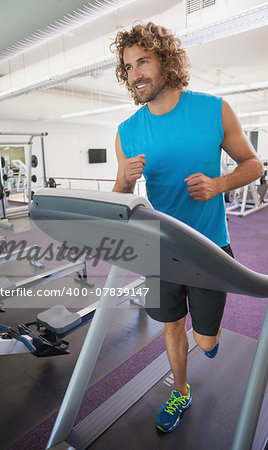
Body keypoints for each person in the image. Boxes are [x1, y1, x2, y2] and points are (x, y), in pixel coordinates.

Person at [110, 22, 264, 433]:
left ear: (167, 61)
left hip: (210, 247)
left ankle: (210, 340)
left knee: (207, 342)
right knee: (172, 324)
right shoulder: (127, 131)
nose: (136, 73)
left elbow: (254, 165)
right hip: (161, 249)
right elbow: (120, 198)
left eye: (143, 61)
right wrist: (124, 180)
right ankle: (180, 389)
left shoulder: (214, 109)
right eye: (128, 67)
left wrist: (219, 184)